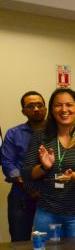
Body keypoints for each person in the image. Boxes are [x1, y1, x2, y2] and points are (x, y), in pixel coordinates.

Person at [22, 88, 75, 237]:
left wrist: (73, 176)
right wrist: (44, 167)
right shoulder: (40, 137)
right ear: (52, 110)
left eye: (69, 105)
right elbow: (27, 173)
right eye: (58, 105)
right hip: (47, 213)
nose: (64, 109)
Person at [2, 91, 47, 241]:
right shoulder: (14, 133)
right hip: (21, 193)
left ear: (46, 108)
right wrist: (27, 186)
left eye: (40, 105)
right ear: (23, 111)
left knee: (52, 241)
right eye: (31, 106)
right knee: (19, 241)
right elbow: (8, 163)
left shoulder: (58, 131)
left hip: (51, 194)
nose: (36, 109)